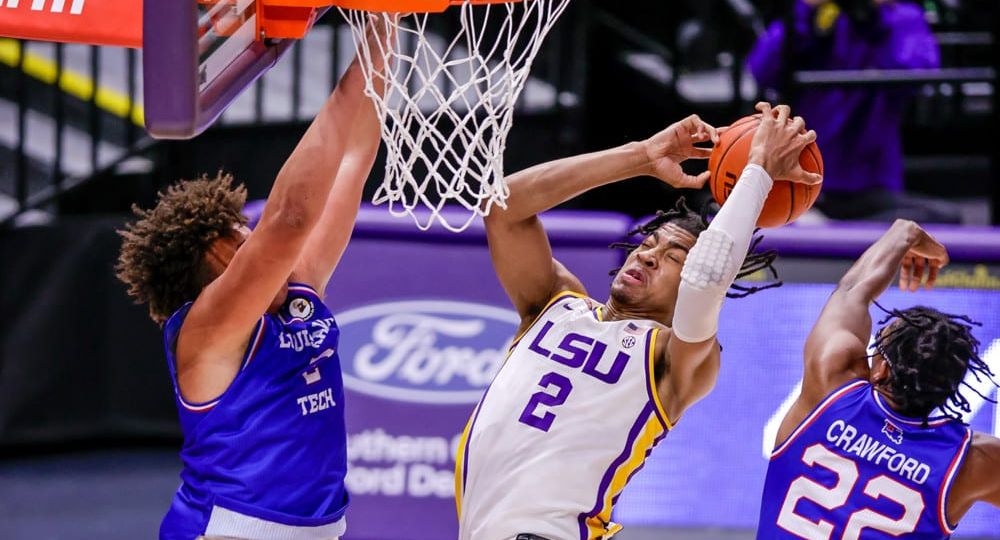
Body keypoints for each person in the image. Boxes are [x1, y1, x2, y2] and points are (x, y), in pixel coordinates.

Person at [454, 103, 822, 540]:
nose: (647, 254)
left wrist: (757, 172)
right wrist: (642, 157)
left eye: (673, 258)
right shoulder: (554, 303)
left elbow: (706, 282)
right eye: (649, 243)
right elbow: (503, 207)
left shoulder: (675, 357)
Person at [115, 23, 389, 540]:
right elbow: (289, 218)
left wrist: (384, 26)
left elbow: (353, 156)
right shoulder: (204, 329)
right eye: (245, 234)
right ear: (220, 253)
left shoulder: (298, 291)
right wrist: (341, 90)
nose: (259, 238)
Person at [756, 219, 1000, 538]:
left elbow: (852, 291)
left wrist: (906, 234)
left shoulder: (831, 385)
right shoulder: (972, 462)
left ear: (881, 369)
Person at [747, 0, 943, 221]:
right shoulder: (811, 18)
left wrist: (876, 22)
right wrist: (805, 13)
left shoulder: (901, 16)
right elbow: (760, 70)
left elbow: (918, 72)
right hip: (804, 176)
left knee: (939, 221)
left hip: (873, 180)